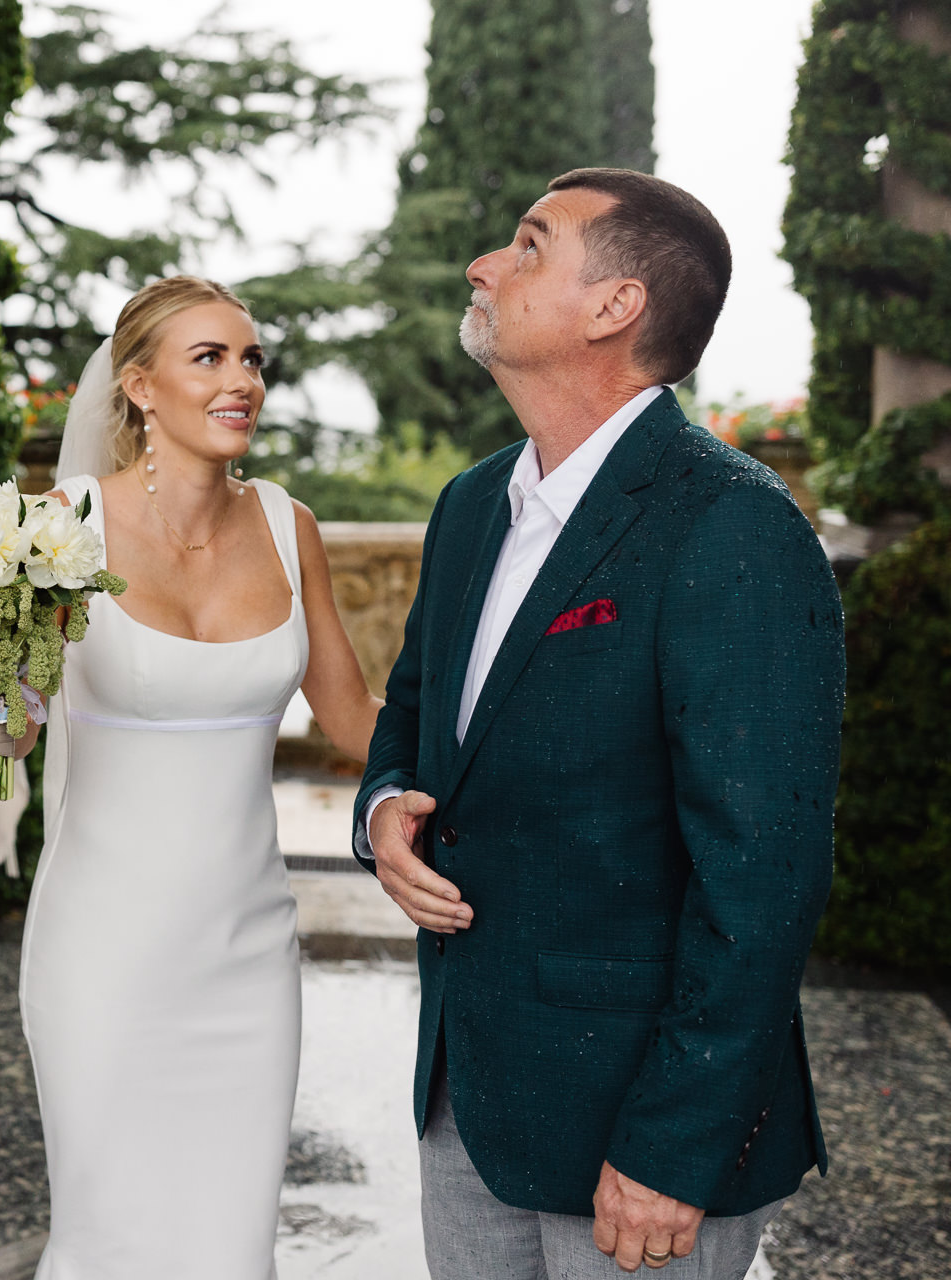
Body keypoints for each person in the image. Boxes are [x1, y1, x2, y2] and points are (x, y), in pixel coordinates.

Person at [355, 169, 843, 1278]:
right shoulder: (472, 503)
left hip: (643, 1132)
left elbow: (762, 875)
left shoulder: (733, 525)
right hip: (466, 1099)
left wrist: (674, 1145)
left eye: (527, 246)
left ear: (614, 306)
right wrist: (386, 812)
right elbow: (416, 717)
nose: (485, 263)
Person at [0, 276, 385, 1276]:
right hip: (100, 954)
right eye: (210, 358)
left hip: (247, 952)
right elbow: (6, 741)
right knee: (110, 1237)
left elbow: (358, 718)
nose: (242, 380)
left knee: (230, 1247)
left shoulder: (290, 525)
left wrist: (518, 775)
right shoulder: (62, 525)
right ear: (141, 386)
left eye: (252, 360)